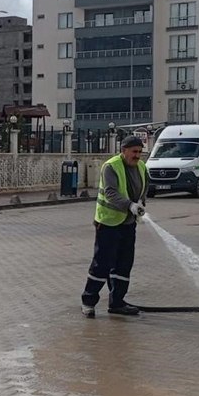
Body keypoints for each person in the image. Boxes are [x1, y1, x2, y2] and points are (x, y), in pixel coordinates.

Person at [81, 136, 148, 318]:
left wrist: (141, 202)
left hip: (128, 224)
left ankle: (117, 302)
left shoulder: (141, 167)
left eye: (140, 152)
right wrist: (129, 205)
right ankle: (88, 302)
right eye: (134, 152)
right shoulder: (111, 167)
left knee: (124, 264)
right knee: (102, 264)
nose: (137, 156)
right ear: (123, 150)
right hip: (108, 223)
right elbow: (110, 193)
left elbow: (145, 187)